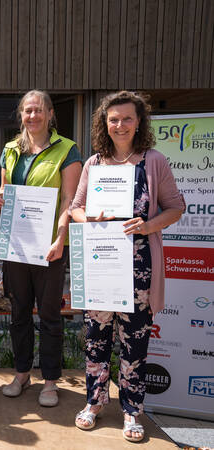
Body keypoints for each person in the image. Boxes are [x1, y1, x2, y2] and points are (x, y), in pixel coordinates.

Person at [70, 91, 184, 442]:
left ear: (139, 123)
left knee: (134, 344)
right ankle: (94, 402)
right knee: (96, 340)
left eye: (127, 118)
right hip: (101, 266)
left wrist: (149, 226)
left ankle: (133, 411)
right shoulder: (94, 163)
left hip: (140, 273)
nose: (120, 125)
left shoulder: (154, 161)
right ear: (104, 123)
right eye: (113, 119)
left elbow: (175, 207)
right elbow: (75, 207)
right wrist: (88, 217)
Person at [0, 90, 82, 407]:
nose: (32, 116)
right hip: (16, 245)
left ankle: (49, 381)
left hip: (50, 248)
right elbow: (4, 190)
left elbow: (68, 200)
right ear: (22, 115)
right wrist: (0, 195)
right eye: (27, 111)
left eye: (38, 110)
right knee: (18, 312)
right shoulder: (10, 150)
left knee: (49, 316)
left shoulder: (67, 150)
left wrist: (60, 239)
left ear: (49, 114)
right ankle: (21, 374)